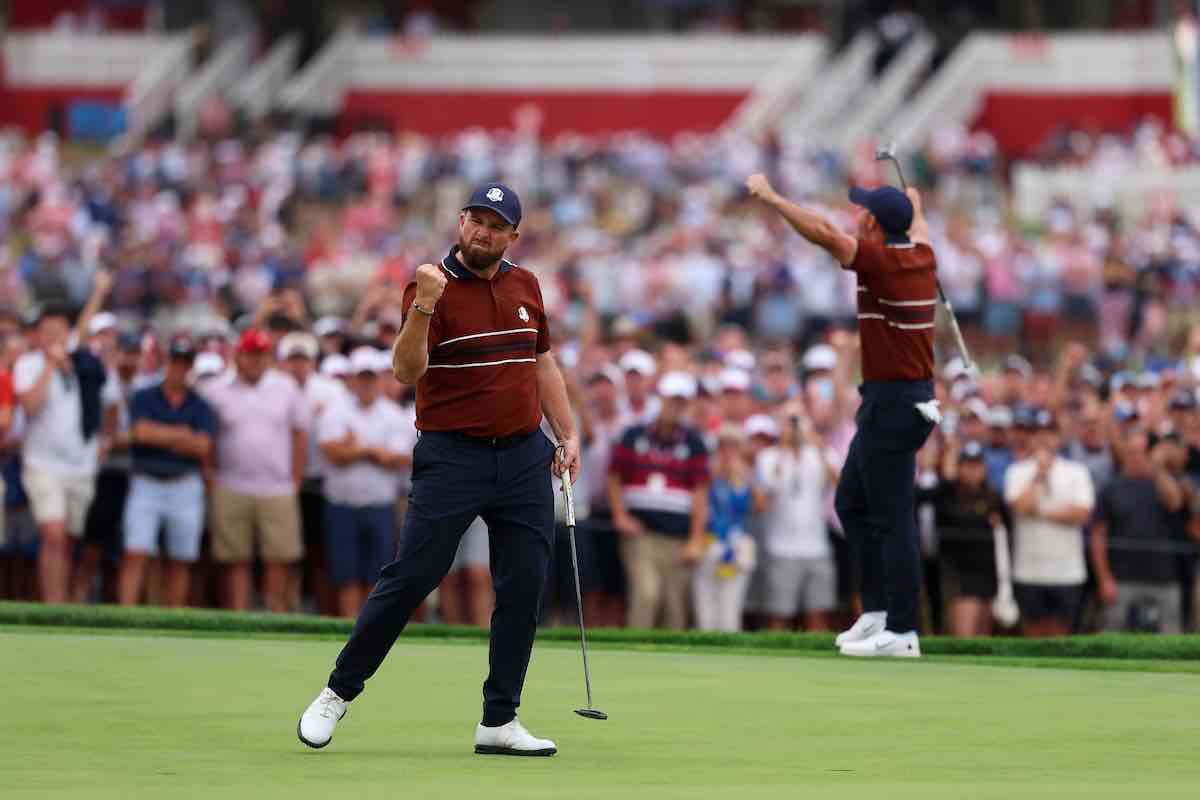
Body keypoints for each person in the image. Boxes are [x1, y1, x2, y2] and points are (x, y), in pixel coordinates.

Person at [298, 184, 579, 757]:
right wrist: (424, 305)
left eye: (496, 225)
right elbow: (406, 371)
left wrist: (568, 432)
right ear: (460, 222)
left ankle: (499, 720)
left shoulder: (527, 285)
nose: (483, 232)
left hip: (525, 453)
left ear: (512, 236)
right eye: (476, 220)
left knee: (524, 585)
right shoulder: (429, 286)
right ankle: (337, 691)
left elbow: (541, 360)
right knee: (412, 578)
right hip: (453, 455)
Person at [747, 173, 939, 657]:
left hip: (896, 403)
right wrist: (914, 205)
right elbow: (921, 229)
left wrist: (773, 198)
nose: (857, 217)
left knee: (894, 519)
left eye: (865, 212)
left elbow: (824, 234)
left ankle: (904, 630)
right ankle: (876, 613)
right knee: (851, 501)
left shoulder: (884, 261)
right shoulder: (921, 253)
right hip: (885, 401)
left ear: (874, 224)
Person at [13, 301, 119, 603]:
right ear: (39, 335)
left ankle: (63, 599)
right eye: (47, 332)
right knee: (54, 534)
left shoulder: (89, 365)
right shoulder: (29, 364)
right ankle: (54, 605)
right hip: (42, 464)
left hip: (81, 467)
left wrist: (106, 440)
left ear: (69, 333)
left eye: (59, 332)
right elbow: (31, 406)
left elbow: (111, 403)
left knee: (69, 540)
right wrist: (49, 366)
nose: (54, 338)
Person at [203, 328, 309, 612]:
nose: (257, 360)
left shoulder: (286, 387)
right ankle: (239, 617)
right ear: (238, 356)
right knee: (236, 560)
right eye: (251, 354)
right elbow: (207, 439)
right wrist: (210, 477)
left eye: (262, 355)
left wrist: (296, 479)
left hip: (277, 486)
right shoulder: (215, 390)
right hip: (231, 484)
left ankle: (275, 617)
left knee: (280, 558)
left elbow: (300, 435)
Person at [608, 371, 710, 630]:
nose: (675, 407)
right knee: (647, 594)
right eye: (671, 400)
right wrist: (620, 515)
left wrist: (696, 539)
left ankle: (671, 667)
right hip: (641, 534)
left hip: (678, 538)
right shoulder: (634, 435)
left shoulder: (695, 442)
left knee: (674, 607)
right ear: (661, 400)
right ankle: (634, 659)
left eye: (681, 402)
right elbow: (614, 477)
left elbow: (700, 493)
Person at [117, 336, 216, 606]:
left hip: (185, 484)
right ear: (167, 362)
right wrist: (182, 435)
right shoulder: (145, 395)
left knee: (180, 559)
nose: (179, 369)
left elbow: (202, 446)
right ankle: (124, 619)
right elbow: (139, 432)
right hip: (146, 482)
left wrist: (159, 435)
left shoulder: (200, 404)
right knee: (135, 553)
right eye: (175, 362)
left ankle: (172, 620)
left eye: (185, 364)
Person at [317, 347, 412, 618]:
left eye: (371, 377)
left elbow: (400, 459)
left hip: (379, 505)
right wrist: (374, 452)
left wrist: (356, 448)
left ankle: (368, 631)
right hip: (341, 504)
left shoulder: (393, 414)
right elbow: (333, 453)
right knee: (346, 575)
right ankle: (351, 627)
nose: (366, 383)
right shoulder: (335, 411)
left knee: (377, 574)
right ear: (351, 379)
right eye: (362, 377)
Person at [1004, 409, 1094, 637]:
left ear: (1058, 437)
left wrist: (1040, 509)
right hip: (1028, 571)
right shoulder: (1017, 471)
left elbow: (1082, 514)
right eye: (1039, 433)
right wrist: (1039, 476)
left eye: (1050, 433)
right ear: (1031, 437)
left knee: (1062, 636)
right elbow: (1019, 507)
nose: (1044, 438)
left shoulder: (1077, 472)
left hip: (1068, 572)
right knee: (1032, 635)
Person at [1090, 429, 1189, 633]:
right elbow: (1098, 535)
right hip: (1121, 580)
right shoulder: (1111, 487)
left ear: (1150, 454)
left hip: (1164, 579)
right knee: (1112, 641)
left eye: (1139, 452)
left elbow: (1175, 502)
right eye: (1130, 452)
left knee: (1168, 645)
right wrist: (1104, 578)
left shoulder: (1166, 483)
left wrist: (1159, 469)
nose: (1134, 458)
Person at [755, 401, 841, 631]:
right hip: (781, 549)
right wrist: (784, 450)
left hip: (817, 547)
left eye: (798, 419)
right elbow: (763, 501)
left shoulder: (820, 453)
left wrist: (819, 446)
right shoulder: (768, 457)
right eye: (788, 420)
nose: (793, 426)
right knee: (779, 616)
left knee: (818, 615)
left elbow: (839, 484)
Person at [923, 439, 1006, 637]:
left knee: (984, 633)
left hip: (987, 573)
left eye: (977, 465)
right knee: (964, 632)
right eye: (968, 465)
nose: (972, 471)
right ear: (959, 468)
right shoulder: (946, 492)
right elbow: (920, 496)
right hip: (957, 574)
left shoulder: (993, 497)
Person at [692, 425, 762, 632]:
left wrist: (746, 477)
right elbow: (698, 502)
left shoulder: (747, 474)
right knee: (705, 611)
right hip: (709, 543)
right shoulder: (705, 472)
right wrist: (714, 474)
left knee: (730, 611)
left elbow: (760, 506)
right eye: (724, 446)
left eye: (734, 447)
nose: (728, 452)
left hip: (736, 546)